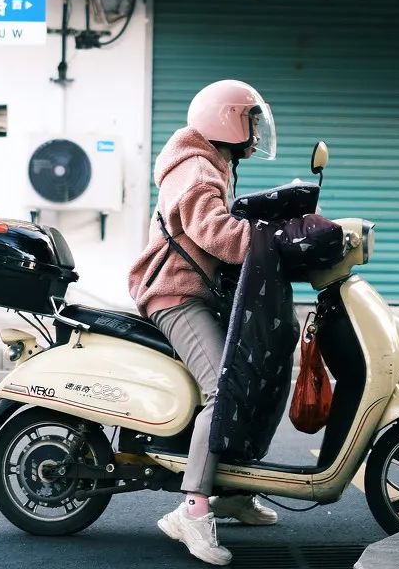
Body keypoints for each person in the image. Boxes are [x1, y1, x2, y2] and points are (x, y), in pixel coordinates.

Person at [128, 80, 279, 567]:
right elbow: (214, 233)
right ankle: (191, 509)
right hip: (175, 296)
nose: (255, 131)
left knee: (260, 379)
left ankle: (232, 491)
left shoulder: (212, 163)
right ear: (227, 120)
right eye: (251, 121)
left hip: (202, 294)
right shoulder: (194, 170)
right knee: (226, 389)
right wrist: (272, 244)